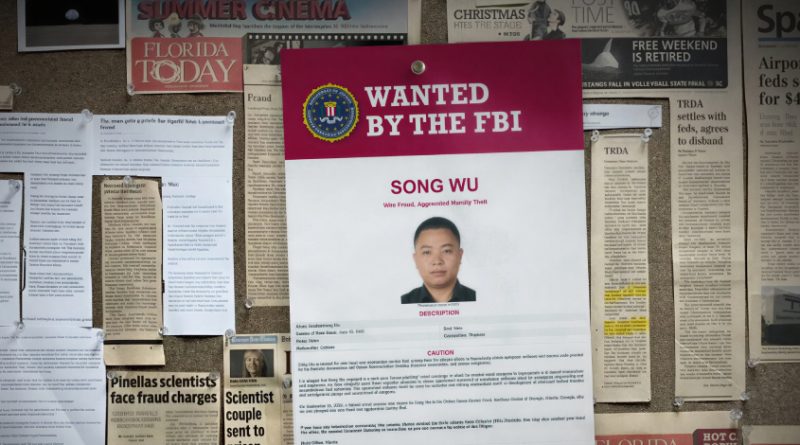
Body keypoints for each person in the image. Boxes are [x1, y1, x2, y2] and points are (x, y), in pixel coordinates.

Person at [401, 217, 476, 304]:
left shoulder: (478, 300)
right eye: (427, 252)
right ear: (415, 260)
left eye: (446, 251)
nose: (437, 261)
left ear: (460, 256)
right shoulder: (403, 303)